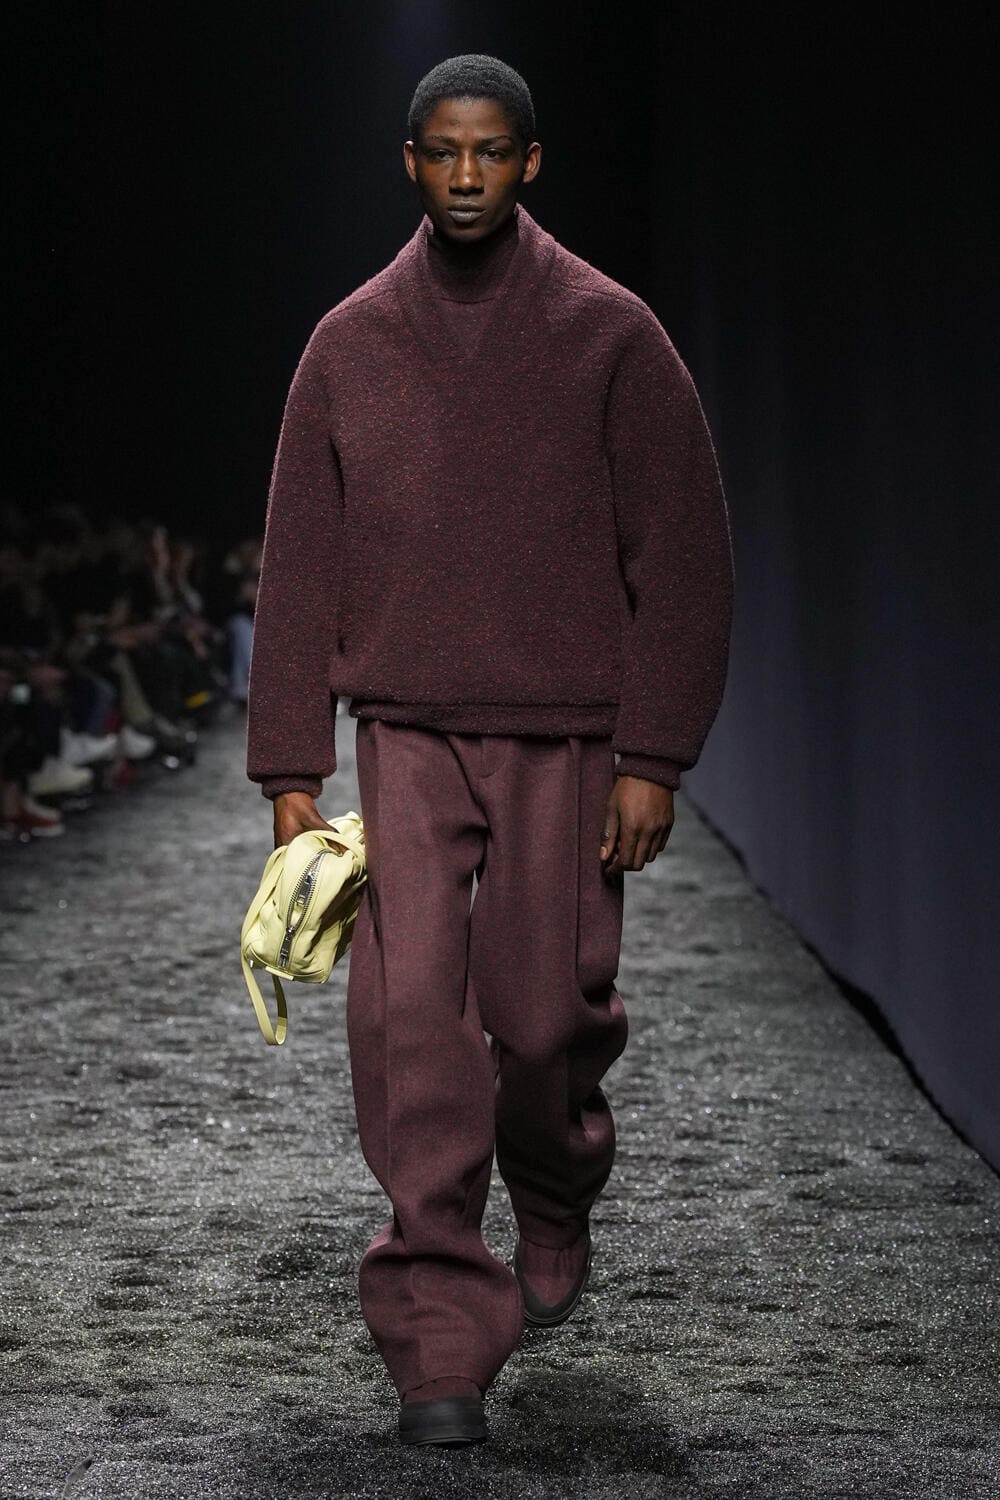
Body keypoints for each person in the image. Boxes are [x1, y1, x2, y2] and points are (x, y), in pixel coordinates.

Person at [246, 53, 734, 1449]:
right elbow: (302, 559)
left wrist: (654, 754)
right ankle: (437, 1340)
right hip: (404, 731)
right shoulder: (350, 343)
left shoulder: (609, 334)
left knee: (546, 1021)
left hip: (566, 736)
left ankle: (557, 1185)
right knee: (408, 1031)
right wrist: (291, 765)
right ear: (410, 163)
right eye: (444, 152)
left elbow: (686, 553)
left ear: (530, 162)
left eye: (492, 152)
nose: (467, 175)